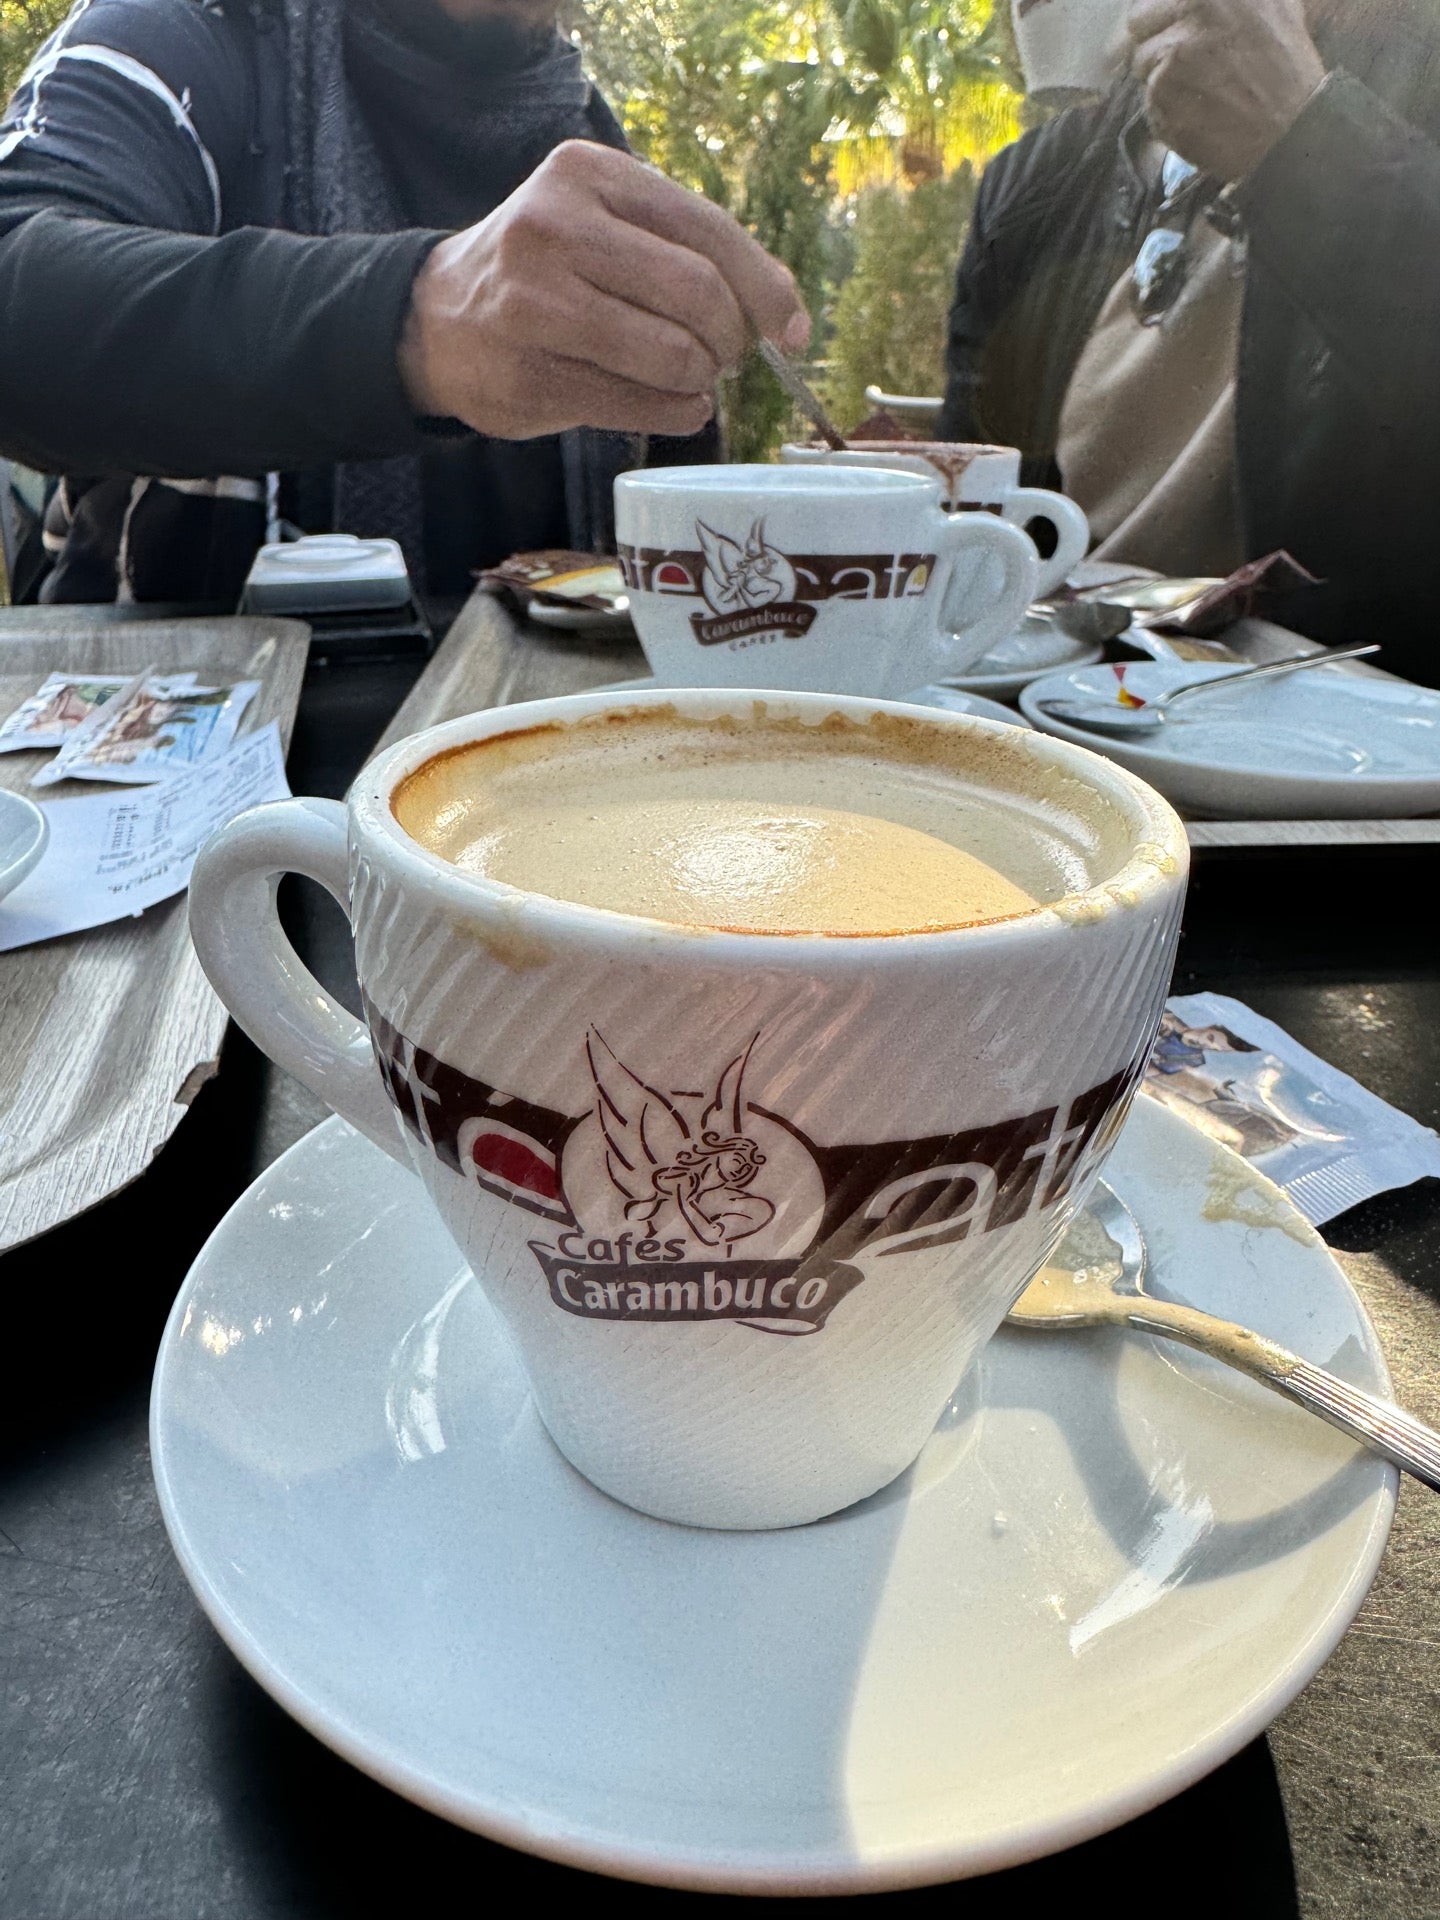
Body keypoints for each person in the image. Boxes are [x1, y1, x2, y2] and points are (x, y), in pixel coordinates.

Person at [0, 0, 807, 610]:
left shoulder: (593, 143)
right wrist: (413, 320)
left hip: (530, 789)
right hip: (179, 794)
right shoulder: (181, 38)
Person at [939, 0, 1440, 675]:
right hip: (1052, 705)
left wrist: (1308, 144)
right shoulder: (1032, 186)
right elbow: (971, 513)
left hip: (1352, 744)